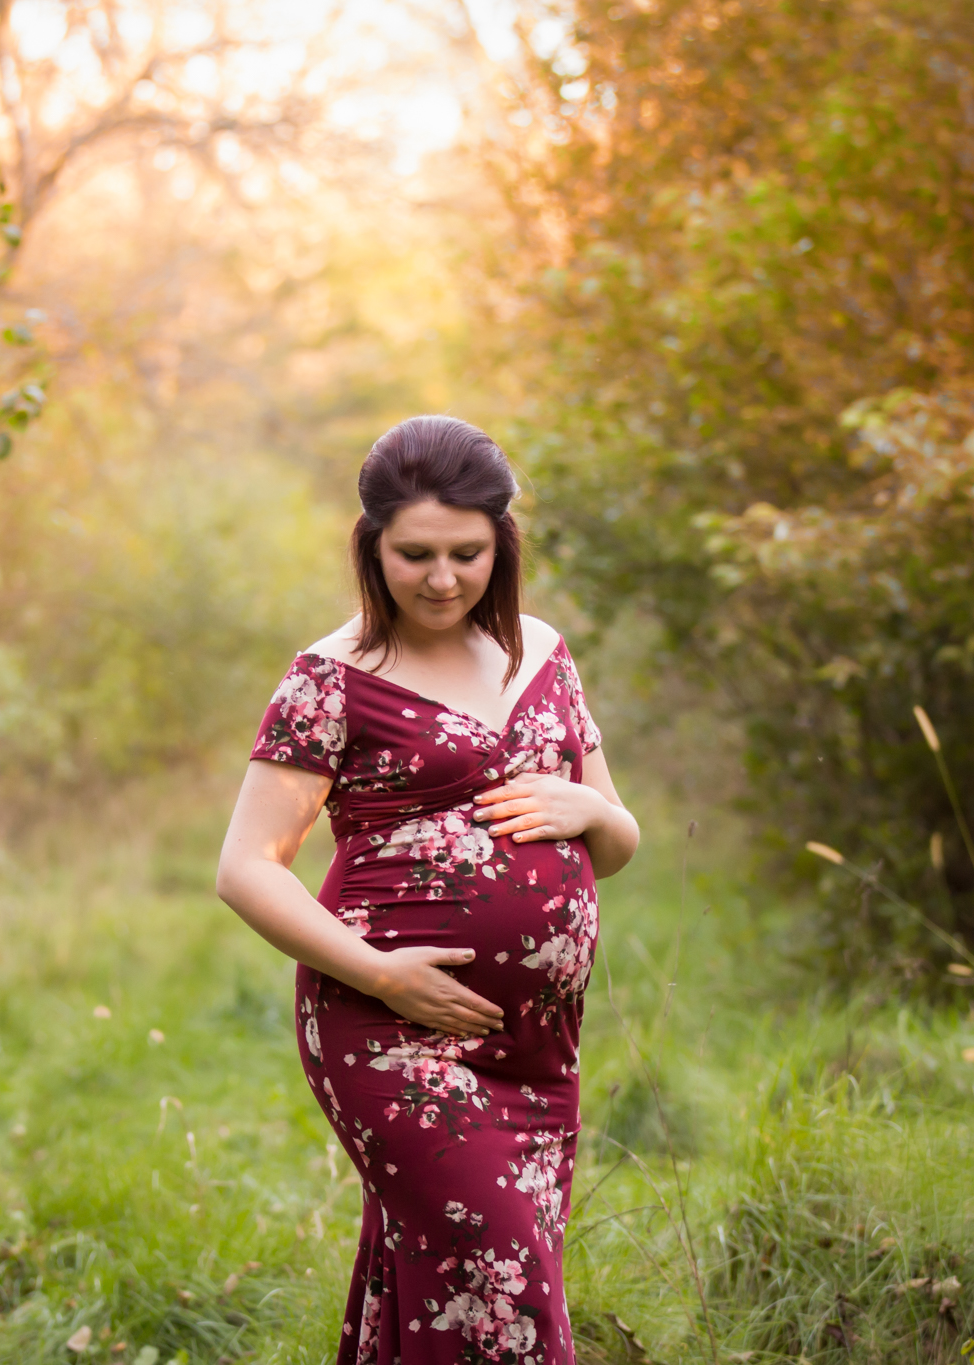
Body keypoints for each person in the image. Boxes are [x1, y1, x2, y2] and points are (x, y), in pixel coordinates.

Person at [216, 415, 641, 1365]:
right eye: (415, 554)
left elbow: (617, 840)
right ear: (373, 547)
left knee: (440, 1278)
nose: (442, 578)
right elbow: (245, 868)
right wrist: (381, 973)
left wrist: (585, 804)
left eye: (466, 552)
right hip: (387, 1022)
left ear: (502, 544)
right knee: (501, 1279)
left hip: (535, 1047)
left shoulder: (543, 654)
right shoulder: (331, 679)